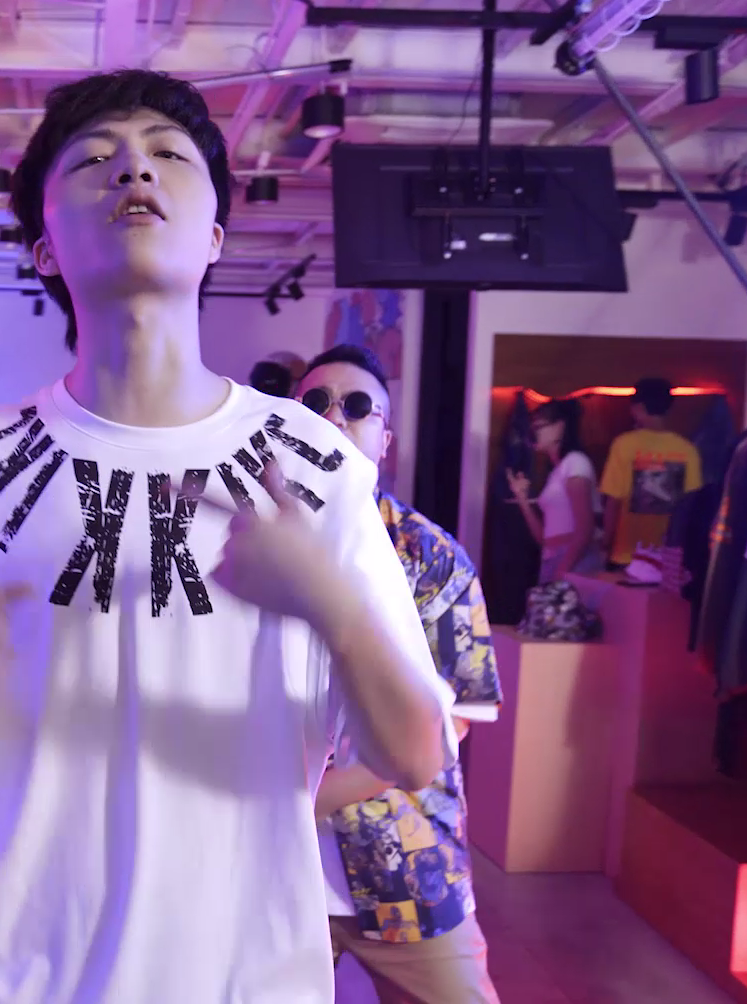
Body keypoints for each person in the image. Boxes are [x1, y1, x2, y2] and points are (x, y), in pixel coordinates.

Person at [0, 69, 455, 1003]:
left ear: (216, 237)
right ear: (43, 248)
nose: (134, 171)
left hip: (243, 980)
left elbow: (416, 752)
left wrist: (334, 608)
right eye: (94, 160)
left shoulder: (313, 463)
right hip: (8, 978)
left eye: (167, 154)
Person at [296, 345, 504, 1004]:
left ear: (384, 439)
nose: (335, 417)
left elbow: (457, 717)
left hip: (405, 865)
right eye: (316, 403)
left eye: (357, 406)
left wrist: (314, 796)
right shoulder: (241, 540)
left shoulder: (430, 555)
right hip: (271, 872)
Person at [600, 377, 702, 567]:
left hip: (627, 555)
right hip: (669, 557)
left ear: (638, 408)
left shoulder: (624, 445)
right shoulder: (687, 450)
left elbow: (613, 501)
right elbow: (691, 505)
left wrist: (605, 542)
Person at [507, 397, 601, 583]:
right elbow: (544, 538)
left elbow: (585, 528)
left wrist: (562, 570)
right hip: (553, 558)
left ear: (560, 426)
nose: (534, 433)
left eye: (539, 426)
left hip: (574, 561)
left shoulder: (575, 463)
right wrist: (522, 499)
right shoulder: (557, 471)